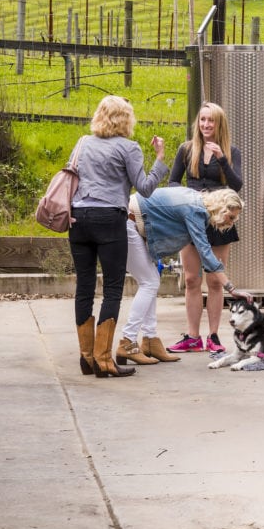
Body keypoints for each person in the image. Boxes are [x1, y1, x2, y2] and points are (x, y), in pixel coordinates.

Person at [70, 96, 168, 378]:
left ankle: (86, 357)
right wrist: (159, 160)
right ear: (126, 119)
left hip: (78, 219)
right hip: (109, 220)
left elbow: (72, 175)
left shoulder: (82, 143)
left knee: (84, 287)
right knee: (112, 288)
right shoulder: (129, 148)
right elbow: (145, 188)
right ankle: (104, 360)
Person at [121, 187, 253, 366]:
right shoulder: (196, 210)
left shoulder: (196, 201)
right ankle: (127, 341)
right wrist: (231, 288)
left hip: (131, 221)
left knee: (151, 280)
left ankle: (150, 341)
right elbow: (205, 252)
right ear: (222, 208)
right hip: (126, 221)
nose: (230, 224)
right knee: (150, 282)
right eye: (230, 217)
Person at [166, 102, 243, 355]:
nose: (206, 125)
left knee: (215, 280)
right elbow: (173, 181)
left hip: (219, 222)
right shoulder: (186, 149)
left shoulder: (230, 151)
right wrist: (190, 194)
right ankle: (192, 336)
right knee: (191, 279)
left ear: (219, 124)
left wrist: (222, 160)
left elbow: (236, 186)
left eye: (211, 121)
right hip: (191, 217)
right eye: (202, 120)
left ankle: (213, 336)